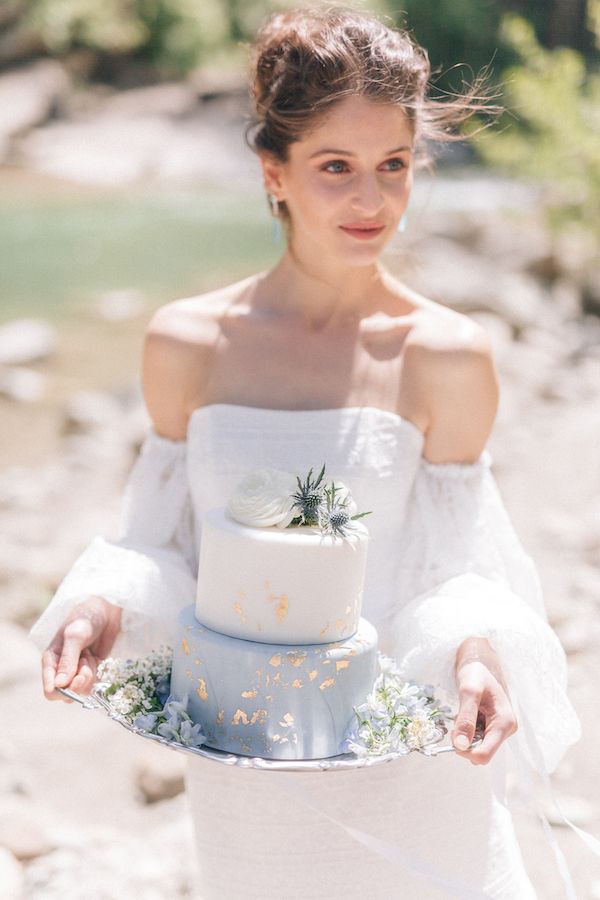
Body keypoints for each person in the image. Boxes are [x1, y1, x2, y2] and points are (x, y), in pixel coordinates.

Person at [30, 7, 589, 898]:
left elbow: (454, 565)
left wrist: (476, 659)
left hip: (413, 754)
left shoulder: (447, 354)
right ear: (273, 172)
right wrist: (104, 605)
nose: (372, 202)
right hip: (248, 763)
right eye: (337, 167)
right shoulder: (187, 342)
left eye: (393, 166)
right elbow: (160, 543)